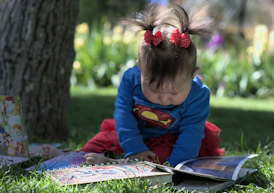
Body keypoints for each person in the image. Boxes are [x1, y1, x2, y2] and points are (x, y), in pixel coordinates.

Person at [43, 3, 225, 167]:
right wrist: (135, 148)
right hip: (134, 132)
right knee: (101, 141)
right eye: (154, 90)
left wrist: (175, 167)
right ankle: (74, 156)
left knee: (162, 155)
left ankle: (115, 163)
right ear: (140, 70)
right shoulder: (131, 79)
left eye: (173, 93)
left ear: (193, 75)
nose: (163, 99)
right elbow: (124, 116)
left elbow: (191, 134)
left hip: (172, 139)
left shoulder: (198, 94)